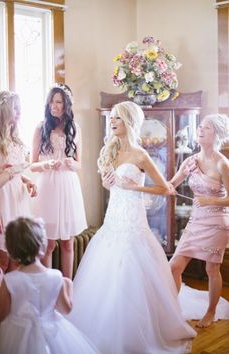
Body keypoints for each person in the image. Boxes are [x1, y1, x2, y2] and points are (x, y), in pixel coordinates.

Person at [67, 101, 196, 354]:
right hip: (113, 218)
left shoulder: (140, 155)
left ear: (128, 122)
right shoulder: (110, 150)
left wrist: (133, 186)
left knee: (131, 268)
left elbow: (166, 189)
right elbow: (109, 185)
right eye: (111, 117)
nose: (112, 121)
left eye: (117, 118)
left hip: (133, 219)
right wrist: (108, 182)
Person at [0, 217, 100, 354]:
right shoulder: (55, 277)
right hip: (52, 336)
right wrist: (68, 285)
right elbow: (66, 309)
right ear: (41, 246)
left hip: (16, 338)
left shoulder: (10, 281)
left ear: (12, 252)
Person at [169, 114, 229, 328]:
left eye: (207, 128)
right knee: (174, 266)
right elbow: (170, 185)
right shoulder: (190, 161)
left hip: (217, 223)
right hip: (195, 222)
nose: (200, 129)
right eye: (200, 126)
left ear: (217, 134)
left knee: (211, 270)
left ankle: (211, 312)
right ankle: (172, 311)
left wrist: (210, 199)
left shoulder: (223, 164)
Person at [30, 83, 87, 278]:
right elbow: (32, 165)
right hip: (47, 186)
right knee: (48, 243)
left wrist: (72, 163)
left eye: (58, 102)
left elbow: (80, 165)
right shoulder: (40, 128)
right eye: (51, 102)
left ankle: (67, 287)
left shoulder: (75, 128)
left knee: (68, 242)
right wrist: (46, 165)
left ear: (66, 104)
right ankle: (48, 287)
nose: (54, 106)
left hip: (68, 185)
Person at [0, 91, 37, 272]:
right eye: (15, 108)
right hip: (2, 201)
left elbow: (14, 171)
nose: (19, 112)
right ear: (3, 110)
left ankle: (11, 299)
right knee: (2, 259)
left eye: (20, 108)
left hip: (18, 200)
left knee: (16, 258)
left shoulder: (16, 138)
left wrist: (26, 181)